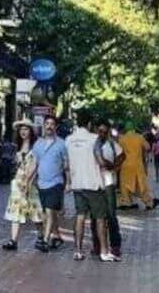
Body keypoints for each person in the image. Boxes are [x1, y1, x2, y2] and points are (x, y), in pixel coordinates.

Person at [66, 111, 115, 263]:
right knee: (100, 219)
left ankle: (78, 251)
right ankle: (104, 251)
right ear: (89, 124)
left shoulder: (69, 140)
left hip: (77, 184)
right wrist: (109, 165)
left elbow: (67, 163)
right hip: (94, 184)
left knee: (80, 216)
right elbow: (102, 161)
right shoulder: (95, 139)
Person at [1, 120, 43, 251]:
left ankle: (41, 237)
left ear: (31, 131)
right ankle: (13, 240)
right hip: (18, 182)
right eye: (21, 129)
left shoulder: (36, 146)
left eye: (26, 129)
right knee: (15, 210)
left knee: (35, 210)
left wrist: (28, 181)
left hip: (31, 183)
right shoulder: (17, 146)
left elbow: (36, 166)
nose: (23, 131)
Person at [31, 115, 70, 251]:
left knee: (49, 211)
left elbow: (66, 164)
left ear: (56, 127)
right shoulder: (38, 143)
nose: (49, 126)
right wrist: (29, 179)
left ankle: (45, 240)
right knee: (47, 213)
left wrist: (68, 182)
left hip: (56, 182)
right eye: (47, 123)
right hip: (41, 183)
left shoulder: (62, 143)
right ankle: (57, 236)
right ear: (44, 126)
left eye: (52, 124)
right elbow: (34, 164)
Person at [92, 120, 124, 261]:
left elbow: (123, 156)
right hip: (94, 183)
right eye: (100, 131)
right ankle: (97, 245)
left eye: (105, 132)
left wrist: (114, 167)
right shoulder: (93, 144)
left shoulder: (112, 144)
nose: (102, 134)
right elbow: (100, 162)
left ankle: (115, 245)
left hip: (109, 182)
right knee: (95, 217)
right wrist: (107, 163)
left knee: (111, 215)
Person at [117, 123, 159, 210]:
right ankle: (149, 203)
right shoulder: (140, 137)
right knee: (141, 184)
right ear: (134, 129)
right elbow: (147, 147)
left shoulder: (122, 139)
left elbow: (118, 152)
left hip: (126, 164)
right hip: (138, 165)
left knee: (125, 184)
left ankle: (126, 202)